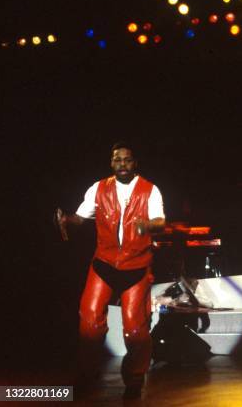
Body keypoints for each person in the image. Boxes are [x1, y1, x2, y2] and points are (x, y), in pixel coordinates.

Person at [57, 142, 165, 399]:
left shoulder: (150, 190)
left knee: (136, 330)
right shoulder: (98, 188)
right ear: (111, 163)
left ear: (134, 163)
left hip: (136, 266)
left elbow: (161, 221)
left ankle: (135, 379)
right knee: (90, 323)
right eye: (118, 160)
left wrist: (147, 225)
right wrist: (66, 219)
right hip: (104, 264)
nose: (122, 164)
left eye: (127, 160)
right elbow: (82, 218)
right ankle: (87, 374)